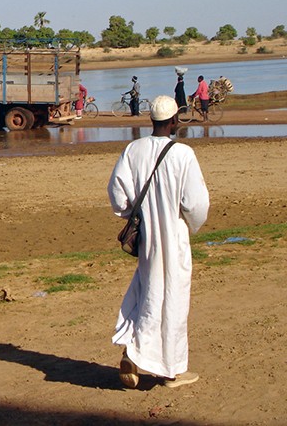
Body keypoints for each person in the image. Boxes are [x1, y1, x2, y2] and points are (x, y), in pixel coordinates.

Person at [108, 95, 210, 389]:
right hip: (173, 236)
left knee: (147, 292)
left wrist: (132, 213)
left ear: (151, 120)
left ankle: (134, 350)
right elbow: (196, 203)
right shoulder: (183, 154)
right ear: (175, 121)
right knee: (172, 300)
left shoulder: (134, 149)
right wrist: (190, 225)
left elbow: (117, 194)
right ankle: (171, 371)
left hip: (147, 240)